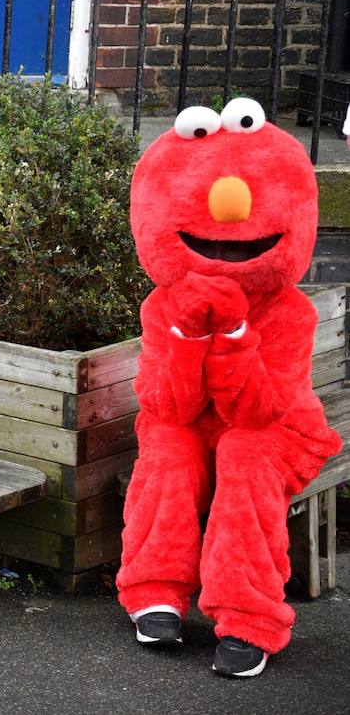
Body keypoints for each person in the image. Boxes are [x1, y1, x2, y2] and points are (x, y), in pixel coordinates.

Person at [119, 98, 341, 678]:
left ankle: (249, 617)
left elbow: (258, 412)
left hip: (276, 427)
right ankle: (155, 590)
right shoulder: (162, 305)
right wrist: (191, 334)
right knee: (167, 448)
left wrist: (236, 334)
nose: (229, 203)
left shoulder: (290, 312)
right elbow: (169, 405)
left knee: (245, 453)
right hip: (192, 422)